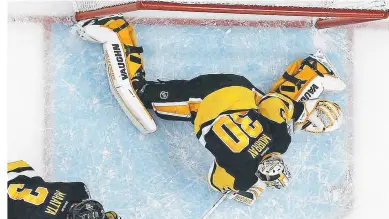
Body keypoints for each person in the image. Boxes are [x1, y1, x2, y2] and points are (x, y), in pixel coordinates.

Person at [74, 16, 345, 205]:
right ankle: (116, 30)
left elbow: (273, 105)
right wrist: (252, 187)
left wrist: (298, 113)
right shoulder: (240, 175)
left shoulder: (282, 141)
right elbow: (216, 182)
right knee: (141, 91)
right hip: (202, 99)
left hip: (237, 86)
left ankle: (312, 70)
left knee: (269, 103)